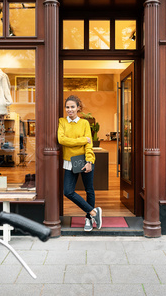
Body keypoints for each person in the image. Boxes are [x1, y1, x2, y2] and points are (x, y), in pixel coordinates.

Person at [58, 95, 103, 232]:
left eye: (72, 107)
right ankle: (94, 213)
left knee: (89, 190)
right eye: (67, 107)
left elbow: (88, 146)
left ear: (78, 108)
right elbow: (61, 140)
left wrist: (89, 161)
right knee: (68, 191)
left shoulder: (84, 123)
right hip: (69, 162)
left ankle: (88, 219)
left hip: (84, 160)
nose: (69, 110)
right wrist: (83, 140)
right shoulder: (62, 122)